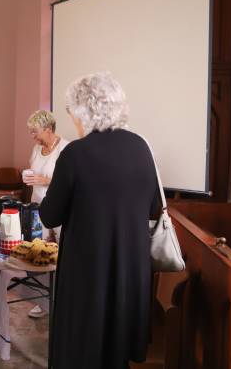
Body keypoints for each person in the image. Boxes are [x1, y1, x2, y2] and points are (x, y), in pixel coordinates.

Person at [39, 72, 158, 368]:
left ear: (84, 111)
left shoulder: (75, 154)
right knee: (116, 353)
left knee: (82, 350)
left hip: (88, 270)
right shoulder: (141, 148)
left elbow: (50, 214)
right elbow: (153, 206)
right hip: (130, 267)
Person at [22, 109, 69, 318]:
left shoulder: (66, 149)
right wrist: (31, 178)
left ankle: (61, 301)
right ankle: (41, 301)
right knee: (38, 252)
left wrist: (45, 181)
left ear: (49, 129)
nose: (32, 136)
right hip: (37, 206)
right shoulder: (36, 149)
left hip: (59, 208)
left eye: (35, 131)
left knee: (60, 256)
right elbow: (34, 172)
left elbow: (69, 183)